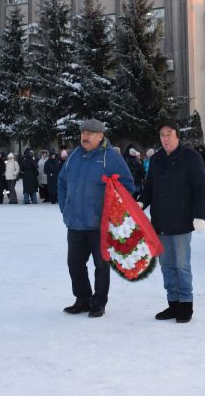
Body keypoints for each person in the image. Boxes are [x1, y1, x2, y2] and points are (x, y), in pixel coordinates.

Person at [58, 119, 134, 318]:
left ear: (101, 136)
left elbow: (127, 185)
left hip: (100, 225)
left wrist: (113, 213)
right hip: (75, 222)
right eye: (83, 132)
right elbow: (61, 181)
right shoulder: (73, 156)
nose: (85, 136)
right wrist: (65, 207)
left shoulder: (111, 158)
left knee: (101, 265)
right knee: (74, 264)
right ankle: (82, 299)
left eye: (90, 133)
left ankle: (98, 302)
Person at [141, 121, 205, 323]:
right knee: (166, 265)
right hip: (160, 222)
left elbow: (200, 189)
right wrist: (141, 202)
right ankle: (173, 304)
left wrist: (199, 215)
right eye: (162, 134)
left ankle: (186, 304)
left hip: (181, 221)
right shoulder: (156, 159)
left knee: (181, 265)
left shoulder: (191, 158)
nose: (166, 138)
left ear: (177, 136)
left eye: (169, 134)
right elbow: (149, 187)